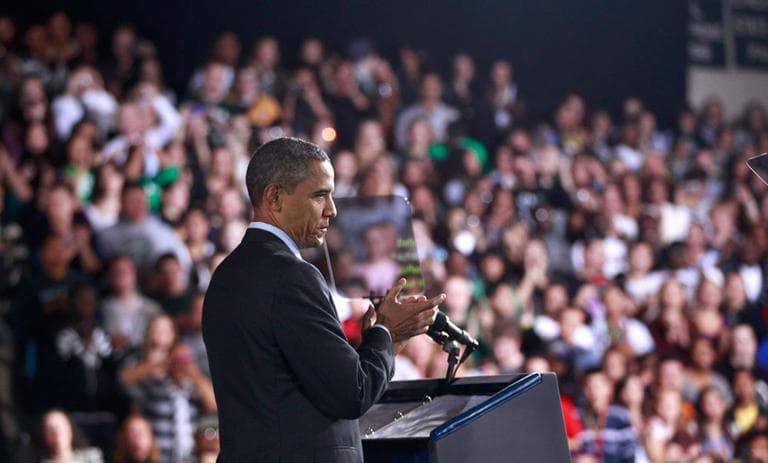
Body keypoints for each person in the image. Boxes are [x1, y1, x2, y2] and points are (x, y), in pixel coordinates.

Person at [202, 137, 443, 462]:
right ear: (274, 197)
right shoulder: (292, 276)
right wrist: (387, 333)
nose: (332, 210)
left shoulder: (225, 276)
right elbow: (351, 393)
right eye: (319, 196)